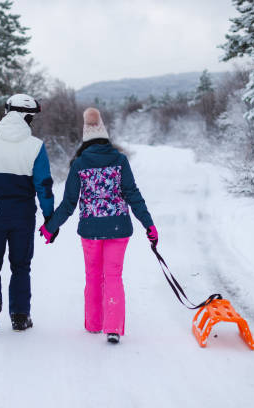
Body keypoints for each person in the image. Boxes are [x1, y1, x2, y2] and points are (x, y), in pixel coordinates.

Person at [38, 107, 158, 344]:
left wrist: (51, 226)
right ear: (105, 136)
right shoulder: (120, 160)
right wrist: (149, 224)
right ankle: (112, 328)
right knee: (113, 276)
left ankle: (94, 324)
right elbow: (132, 194)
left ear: (86, 139)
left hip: (91, 230)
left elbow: (69, 202)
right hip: (118, 228)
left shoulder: (80, 163)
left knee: (93, 276)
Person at [0, 94, 54, 332]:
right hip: (23, 216)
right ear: (26, 116)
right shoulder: (36, 146)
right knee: (21, 266)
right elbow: (43, 185)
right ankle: (20, 316)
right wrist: (49, 217)